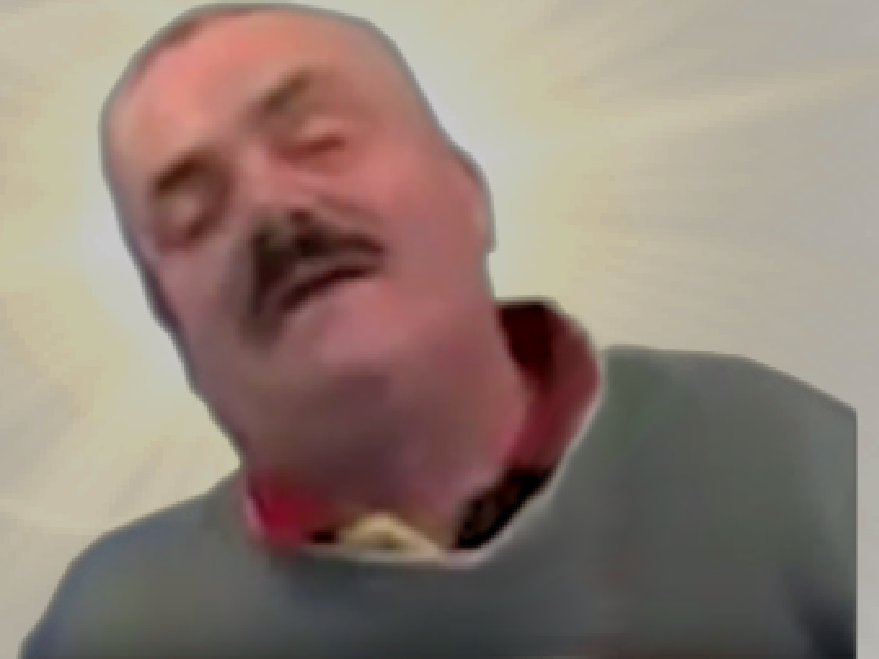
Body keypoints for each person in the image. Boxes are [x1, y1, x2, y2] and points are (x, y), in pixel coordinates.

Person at [22, 3, 855, 658]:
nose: (272, 209)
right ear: (169, 318)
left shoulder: (780, 462)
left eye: (319, 141)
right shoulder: (120, 629)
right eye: (195, 212)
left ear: (467, 191)